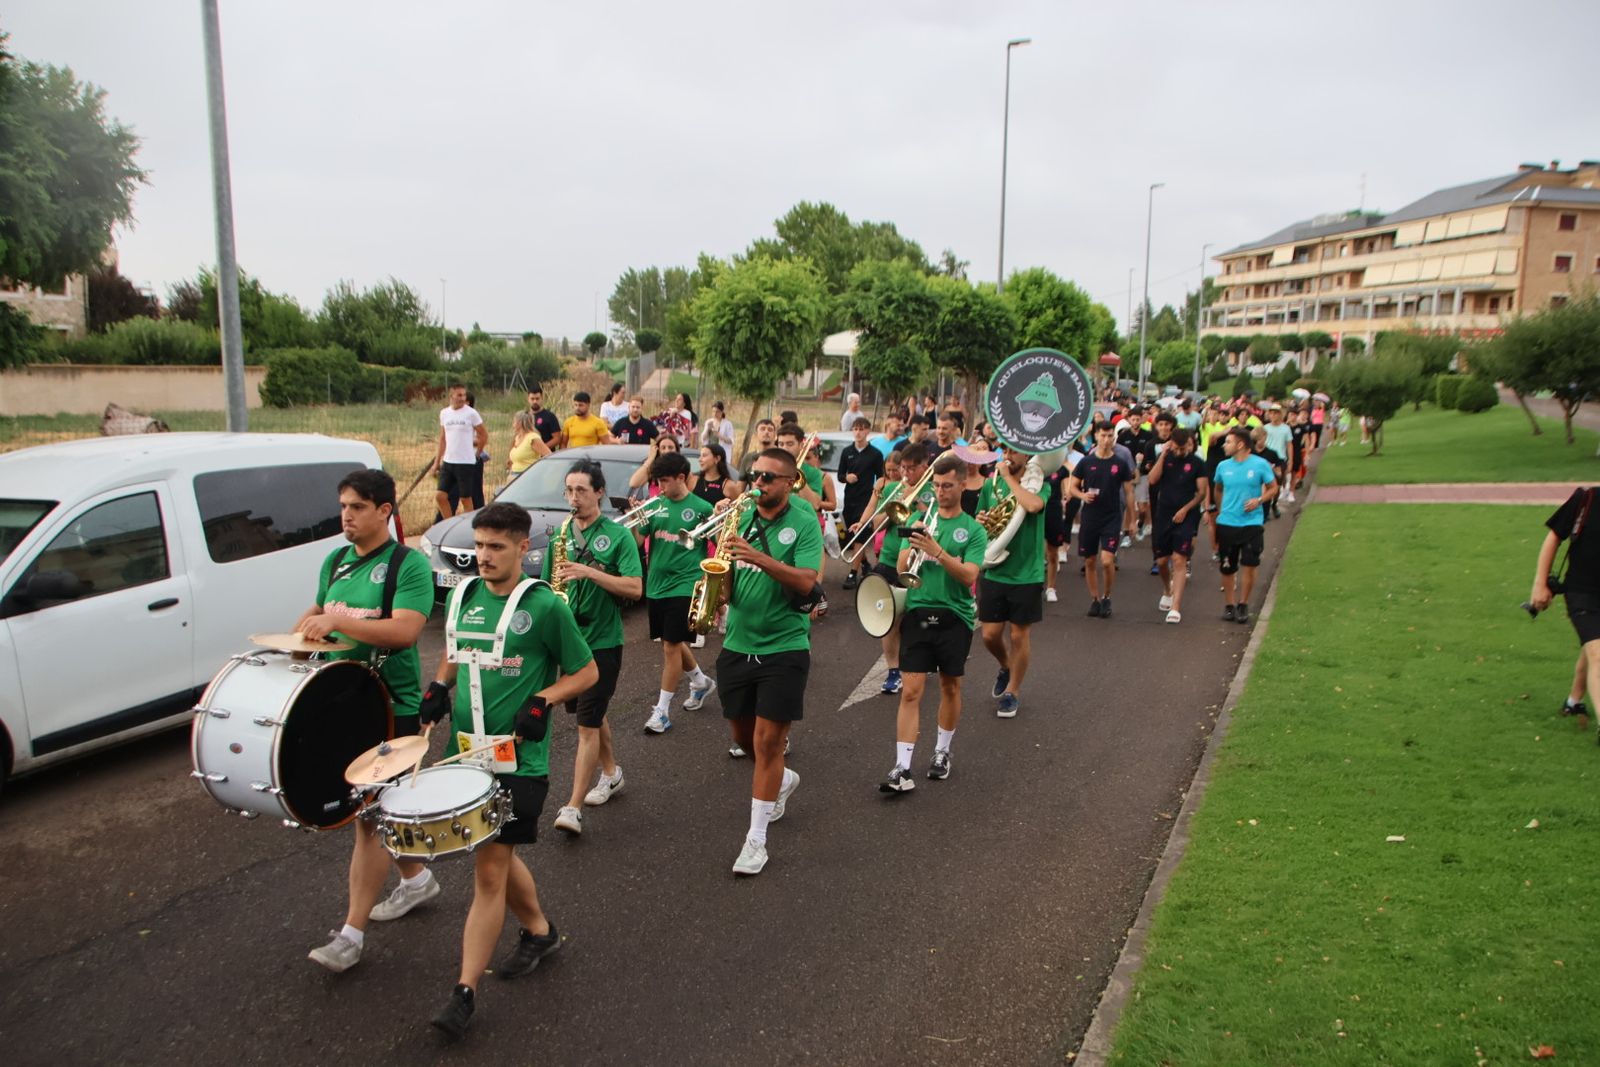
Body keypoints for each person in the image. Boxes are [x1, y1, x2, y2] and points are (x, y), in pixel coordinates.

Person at [421, 502, 598, 1040]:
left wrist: (545, 697)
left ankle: (465, 992)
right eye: (479, 546)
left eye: (496, 547)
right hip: (466, 755)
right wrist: (438, 686)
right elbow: (455, 650)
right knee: (494, 857)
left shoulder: (544, 608)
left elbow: (586, 671)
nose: (483, 557)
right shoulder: (463, 595)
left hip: (520, 760)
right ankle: (540, 931)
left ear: (525, 548)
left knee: (490, 869)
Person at [300, 469, 439, 973]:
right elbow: (319, 611)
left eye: (357, 507)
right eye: (343, 506)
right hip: (345, 704)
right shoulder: (335, 561)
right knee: (374, 812)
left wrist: (338, 622)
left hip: (391, 707)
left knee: (370, 817)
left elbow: (404, 632)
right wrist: (297, 636)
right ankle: (417, 880)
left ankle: (351, 935)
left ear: (385, 510)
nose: (346, 515)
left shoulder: (408, 565)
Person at [715, 447, 823, 874]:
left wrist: (758, 556)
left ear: (790, 482)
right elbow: (725, 573)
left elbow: (806, 581)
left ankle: (755, 841)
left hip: (785, 645)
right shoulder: (738, 514)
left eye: (767, 479)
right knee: (744, 739)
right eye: (753, 476)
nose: (757, 484)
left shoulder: (804, 521)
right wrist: (714, 591)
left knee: (766, 742)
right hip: (738, 643)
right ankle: (782, 779)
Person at [543, 461, 643, 836]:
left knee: (586, 725)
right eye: (569, 490)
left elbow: (634, 588)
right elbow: (548, 591)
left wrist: (590, 573)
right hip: (570, 643)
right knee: (592, 715)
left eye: (581, 490)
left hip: (602, 643)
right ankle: (613, 774)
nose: (573, 498)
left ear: (599, 492)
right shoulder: (561, 536)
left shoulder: (617, 537)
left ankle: (572, 807)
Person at [879, 453, 988, 792]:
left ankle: (942, 751)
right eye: (937, 485)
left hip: (955, 616)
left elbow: (969, 575)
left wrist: (937, 551)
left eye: (948, 485)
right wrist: (910, 552)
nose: (941, 492)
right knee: (910, 691)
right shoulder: (919, 518)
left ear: (963, 485)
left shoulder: (973, 530)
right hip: (917, 612)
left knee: (950, 686)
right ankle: (902, 767)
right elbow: (900, 569)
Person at [633, 451, 718, 733]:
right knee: (672, 641)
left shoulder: (703, 507)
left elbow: (721, 543)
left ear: (681, 478)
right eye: (658, 481)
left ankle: (662, 712)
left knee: (670, 645)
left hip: (686, 583)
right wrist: (636, 517)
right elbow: (638, 539)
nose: (661, 487)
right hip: (657, 584)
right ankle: (700, 681)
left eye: (665, 481)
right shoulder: (656, 504)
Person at [977, 448, 1049, 718]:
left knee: (1019, 635)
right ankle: (1006, 666)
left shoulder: (1041, 484)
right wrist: (981, 520)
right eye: (1005, 448)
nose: (1008, 454)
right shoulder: (989, 484)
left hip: (1027, 573)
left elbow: (1032, 506)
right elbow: (980, 522)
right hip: (996, 568)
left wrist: (1008, 478)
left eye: (1014, 450)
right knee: (989, 635)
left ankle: (1013, 692)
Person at [855, 442, 931, 695]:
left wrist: (920, 504)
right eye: (903, 468)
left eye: (911, 469)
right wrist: (892, 507)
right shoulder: (893, 488)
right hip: (889, 558)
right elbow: (876, 523)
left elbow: (941, 518)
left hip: (922, 563)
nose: (906, 474)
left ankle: (919, 661)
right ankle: (893, 671)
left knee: (918, 619)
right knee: (890, 618)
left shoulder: (936, 487)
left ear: (924, 466)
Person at [1530, 487, 1600, 729]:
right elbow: (1553, 538)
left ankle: (1573, 701)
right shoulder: (1586, 500)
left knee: (1594, 646)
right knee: (1598, 654)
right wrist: (1539, 585)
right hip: (1581, 593)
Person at [1212, 427, 1278, 624]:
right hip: (1227, 523)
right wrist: (1221, 510)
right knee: (1227, 567)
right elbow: (1218, 488)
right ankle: (1229, 605)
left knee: (1249, 565)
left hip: (1252, 523)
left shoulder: (1260, 464)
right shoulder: (1223, 466)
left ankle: (1243, 604)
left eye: (1228, 442)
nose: (1225, 445)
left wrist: (1259, 500)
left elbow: (1274, 488)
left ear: (1241, 444)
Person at [1070, 423, 1134, 618]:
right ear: (1096, 436)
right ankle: (1095, 599)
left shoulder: (1120, 463)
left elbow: (1129, 492)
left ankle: (1107, 597)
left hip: (1112, 516)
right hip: (1090, 517)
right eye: (1103, 435)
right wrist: (1082, 496)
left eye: (1110, 436)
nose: (1107, 440)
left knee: (1107, 561)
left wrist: (1132, 519)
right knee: (1089, 560)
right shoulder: (1086, 462)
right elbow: (1072, 487)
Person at [1147, 428, 1208, 624]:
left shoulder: (1197, 463)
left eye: (1184, 448)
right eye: (1177, 447)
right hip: (1164, 514)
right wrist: (1163, 455)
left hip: (1186, 515)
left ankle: (1176, 608)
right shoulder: (1166, 458)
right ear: (1171, 443)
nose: (1181, 452)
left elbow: (1201, 493)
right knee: (1162, 561)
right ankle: (1167, 589)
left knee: (1179, 560)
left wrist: (1186, 509)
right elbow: (1152, 479)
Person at [837, 417, 885, 589]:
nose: (858, 432)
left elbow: (881, 477)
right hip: (850, 499)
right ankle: (865, 563)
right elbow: (840, 475)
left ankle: (852, 573)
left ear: (867, 431)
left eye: (861, 429)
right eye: (855, 429)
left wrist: (878, 486)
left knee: (860, 535)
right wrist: (846, 478)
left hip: (866, 501)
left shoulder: (875, 454)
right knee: (853, 535)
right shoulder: (846, 452)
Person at [432, 384, 488, 524]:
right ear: (451, 396)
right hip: (449, 461)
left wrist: (478, 452)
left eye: (464, 395)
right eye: (459, 395)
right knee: (440, 496)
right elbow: (442, 438)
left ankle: (470, 527)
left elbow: (483, 434)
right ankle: (449, 523)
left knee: (465, 498)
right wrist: (437, 462)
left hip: (465, 462)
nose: (462, 398)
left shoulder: (471, 413)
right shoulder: (444, 413)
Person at [507, 410, 551, 479]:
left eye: (514, 421)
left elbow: (549, 455)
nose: (513, 425)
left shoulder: (532, 438)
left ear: (520, 423)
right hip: (514, 475)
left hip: (528, 476)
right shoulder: (517, 437)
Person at [694, 443, 740, 507]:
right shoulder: (694, 480)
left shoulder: (728, 485)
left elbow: (737, 510)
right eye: (700, 456)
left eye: (704, 456)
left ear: (717, 458)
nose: (700, 459)